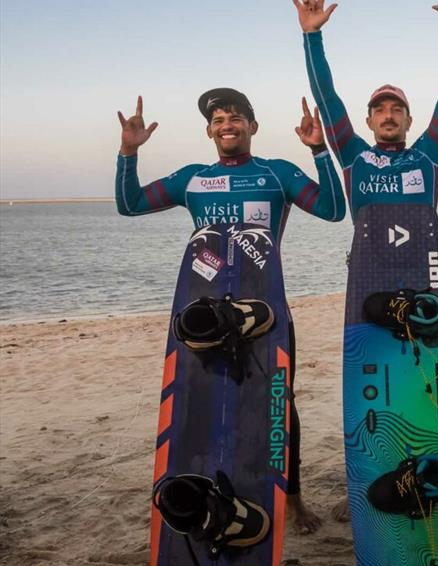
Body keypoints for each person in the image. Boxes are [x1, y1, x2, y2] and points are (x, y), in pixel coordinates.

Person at [115, 89, 346, 533]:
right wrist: (128, 153)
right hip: (204, 315)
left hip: (268, 312)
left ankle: (292, 499)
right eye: (218, 118)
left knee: (279, 405)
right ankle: (216, 487)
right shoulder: (193, 179)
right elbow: (129, 205)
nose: (227, 124)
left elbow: (334, 210)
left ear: (252, 127)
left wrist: (319, 150)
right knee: (205, 401)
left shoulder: (276, 175)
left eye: (236, 117)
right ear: (209, 130)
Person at [290, 0, 438, 519]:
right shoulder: (353, 158)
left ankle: (428, 474)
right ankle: (374, 481)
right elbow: (328, 99)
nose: (389, 114)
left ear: (410, 121)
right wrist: (312, 40)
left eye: (397, 108)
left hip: (427, 284)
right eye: (380, 109)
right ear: (368, 122)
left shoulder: (429, 157)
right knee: (375, 392)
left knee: (421, 389)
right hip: (366, 289)